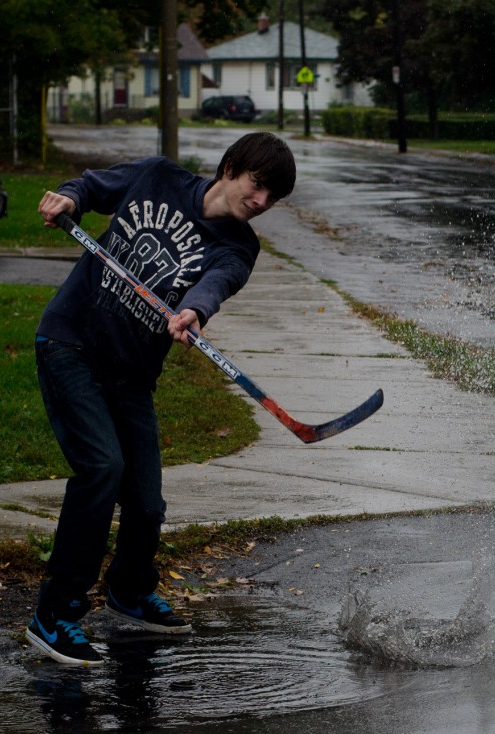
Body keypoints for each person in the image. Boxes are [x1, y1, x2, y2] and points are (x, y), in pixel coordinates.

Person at [26, 132, 296, 666]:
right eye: (258, 185)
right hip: (70, 343)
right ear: (231, 166)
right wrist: (67, 198)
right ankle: (53, 614)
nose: (261, 203)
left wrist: (195, 310)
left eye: (272, 198)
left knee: (146, 503)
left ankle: (129, 590)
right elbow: (88, 187)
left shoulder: (241, 246)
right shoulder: (156, 177)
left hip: (131, 375)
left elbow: (217, 280)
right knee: (102, 468)